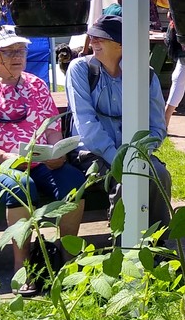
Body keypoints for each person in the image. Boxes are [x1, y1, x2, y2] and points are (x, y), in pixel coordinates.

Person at [0, 25, 86, 295]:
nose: (17, 56)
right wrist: (6, 158)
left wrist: (55, 152)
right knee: (20, 186)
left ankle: (66, 258)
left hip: (39, 164)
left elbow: (51, 127)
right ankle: (22, 268)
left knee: (74, 182)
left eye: (21, 50)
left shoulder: (36, 85)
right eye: (9, 51)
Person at [65, 15, 173, 232]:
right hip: (92, 153)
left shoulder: (145, 75)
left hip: (133, 150)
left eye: (101, 38)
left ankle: (159, 246)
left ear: (122, 44)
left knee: (160, 175)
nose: (93, 42)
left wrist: (140, 153)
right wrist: (118, 160)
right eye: (92, 37)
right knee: (128, 180)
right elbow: (86, 123)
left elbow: (157, 126)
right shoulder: (80, 69)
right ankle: (124, 249)